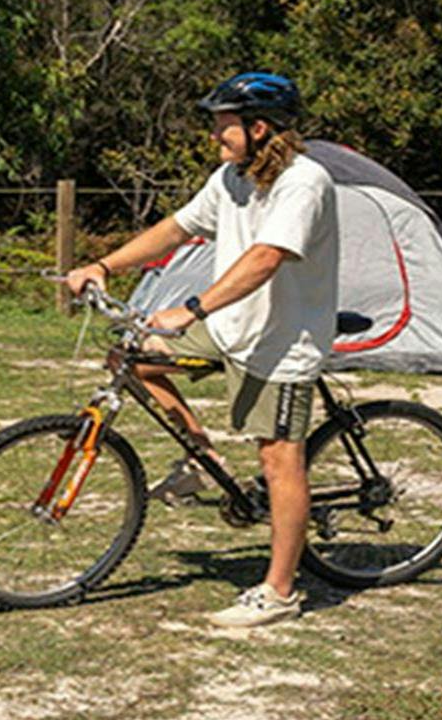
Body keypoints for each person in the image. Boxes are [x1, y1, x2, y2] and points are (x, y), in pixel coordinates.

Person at [64, 71, 339, 629]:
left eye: (223, 127)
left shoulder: (302, 182)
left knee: (278, 457)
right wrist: (104, 264)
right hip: (233, 324)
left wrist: (194, 308)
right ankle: (202, 458)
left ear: (259, 129)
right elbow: (175, 228)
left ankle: (280, 590)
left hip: (283, 339)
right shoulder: (231, 179)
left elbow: (266, 258)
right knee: (131, 357)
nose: (214, 136)